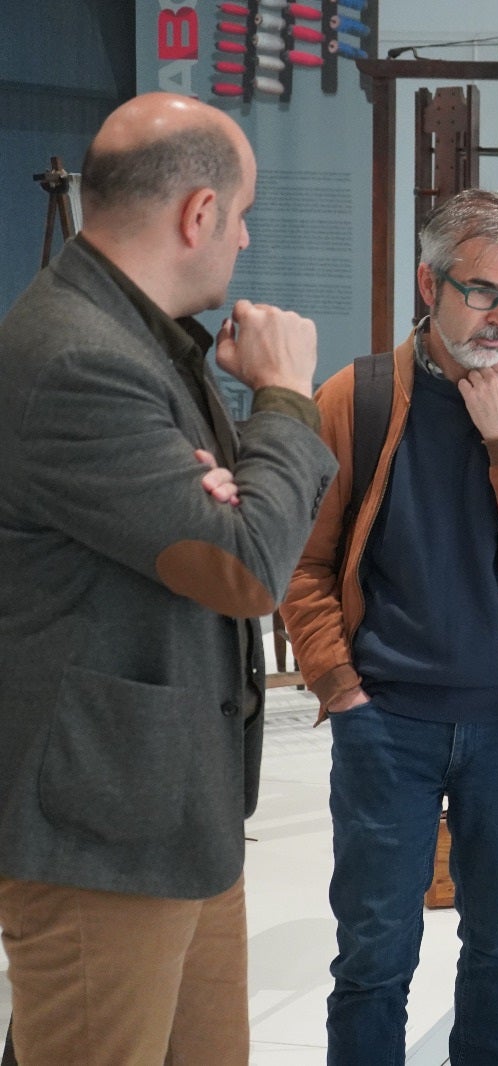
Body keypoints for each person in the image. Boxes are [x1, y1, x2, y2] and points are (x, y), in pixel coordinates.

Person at [0, 92, 337, 1064]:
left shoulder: (137, 339)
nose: (242, 238)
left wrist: (234, 501)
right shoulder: (77, 356)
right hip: (100, 832)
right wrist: (282, 396)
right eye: (239, 216)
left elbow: (229, 528)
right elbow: (243, 563)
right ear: (197, 214)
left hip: (174, 811)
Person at [279, 188, 498, 1065]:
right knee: (376, 955)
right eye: (484, 292)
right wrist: (341, 688)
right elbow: (304, 565)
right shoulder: (358, 397)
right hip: (387, 721)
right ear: (429, 282)